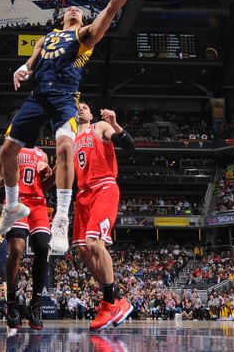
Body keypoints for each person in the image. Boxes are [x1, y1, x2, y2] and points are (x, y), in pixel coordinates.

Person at [0, 0, 143, 254]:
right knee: (6, 152)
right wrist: (22, 69)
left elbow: (112, 9)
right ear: (62, 16)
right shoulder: (47, 38)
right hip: (38, 96)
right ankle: (11, 206)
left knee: (64, 148)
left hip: (65, 98)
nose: (74, 10)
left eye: (79, 10)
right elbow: (32, 60)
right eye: (69, 9)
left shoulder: (84, 36)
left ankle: (60, 216)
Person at [72, 104, 136, 331]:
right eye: (77, 108)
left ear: (91, 114)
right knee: (82, 250)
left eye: (85, 107)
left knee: (94, 243)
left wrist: (115, 124)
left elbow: (129, 146)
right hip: (82, 194)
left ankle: (109, 302)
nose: (81, 109)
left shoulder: (99, 127)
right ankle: (117, 298)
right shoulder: (71, 141)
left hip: (103, 187)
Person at [0, 147, 53, 330]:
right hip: (16, 200)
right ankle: (11, 303)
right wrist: (11, 173)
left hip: (39, 203)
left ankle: (36, 305)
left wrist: (51, 171)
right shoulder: (8, 149)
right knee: (17, 249)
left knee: (43, 248)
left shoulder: (42, 154)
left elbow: (46, 186)